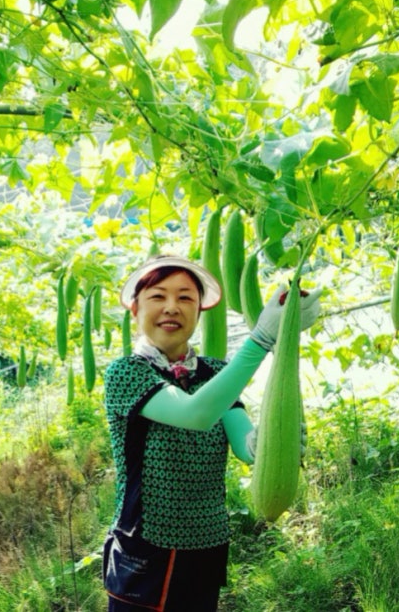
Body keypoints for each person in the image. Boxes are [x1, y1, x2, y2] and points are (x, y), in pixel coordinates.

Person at [102, 254, 321, 612]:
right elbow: (195, 413)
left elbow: (245, 445)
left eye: (185, 297)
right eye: (158, 296)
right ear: (135, 310)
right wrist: (262, 338)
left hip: (206, 548)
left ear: (199, 311)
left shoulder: (217, 373)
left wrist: (269, 444)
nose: (172, 307)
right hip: (143, 553)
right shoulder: (126, 373)